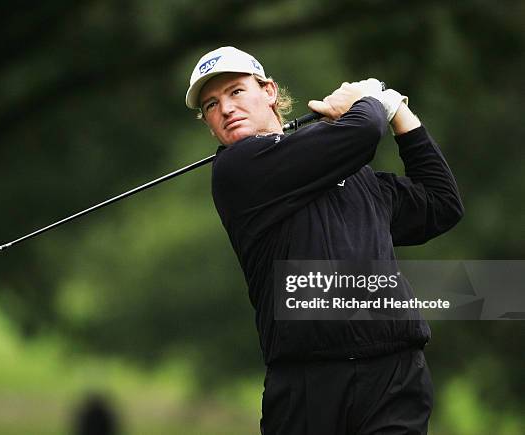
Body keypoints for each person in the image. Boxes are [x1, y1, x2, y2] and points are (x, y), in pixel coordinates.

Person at [185, 46, 464, 434]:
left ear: (268, 91)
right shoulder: (236, 171)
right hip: (306, 386)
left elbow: (441, 203)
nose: (226, 109)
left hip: (393, 376)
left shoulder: (356, 174)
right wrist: (368, 98)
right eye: (211, 105)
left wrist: (398, 110)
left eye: (235, 92)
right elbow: (364, 130)